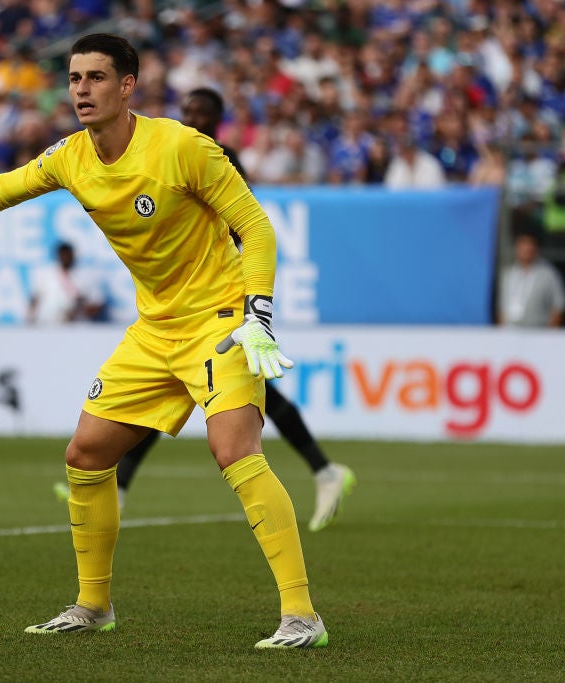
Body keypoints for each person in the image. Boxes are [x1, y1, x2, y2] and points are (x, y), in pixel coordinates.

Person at [0, 33, 328, 649]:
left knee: (234, 451)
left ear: (128, 86)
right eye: (75, 78)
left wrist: (258, 311)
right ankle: (93, 605)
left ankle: (301, 616)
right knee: (86, 455)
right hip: (155, 327)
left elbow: (256, 227)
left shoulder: (183, 147)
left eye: (96, 77)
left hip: (219, 318)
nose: (81, 88)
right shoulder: (70, 157)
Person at [54, 86, 355, 533]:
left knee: (248, 396)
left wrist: (239, 293)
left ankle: (325, 471)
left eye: (202, 112)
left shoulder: (215, 154)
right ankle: (324, 471)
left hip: (226, 296)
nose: (193, 116)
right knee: (180, 394)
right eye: (188, 109)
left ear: (219, 118)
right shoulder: (172, 147)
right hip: (190, 305)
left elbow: (245, 225)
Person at [497, 227, 565, 328]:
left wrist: (551, 336)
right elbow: (502, 309)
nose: (527, 249)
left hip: (538, 332)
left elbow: (559, 306)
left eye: (530, 245)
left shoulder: (548, 274)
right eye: (523, 245)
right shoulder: (508, 275)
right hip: (511, 332)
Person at [27, 241, 108, 324]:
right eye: (62, 255)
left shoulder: (85, 276)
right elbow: (34, 299)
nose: (65, 257)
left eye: (67, 255)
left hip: (75, 326)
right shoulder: (46, 274)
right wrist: (30, 318)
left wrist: (80, 308)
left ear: (73, 255)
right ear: (57, 256)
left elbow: (98, 303)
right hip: (47, 324)